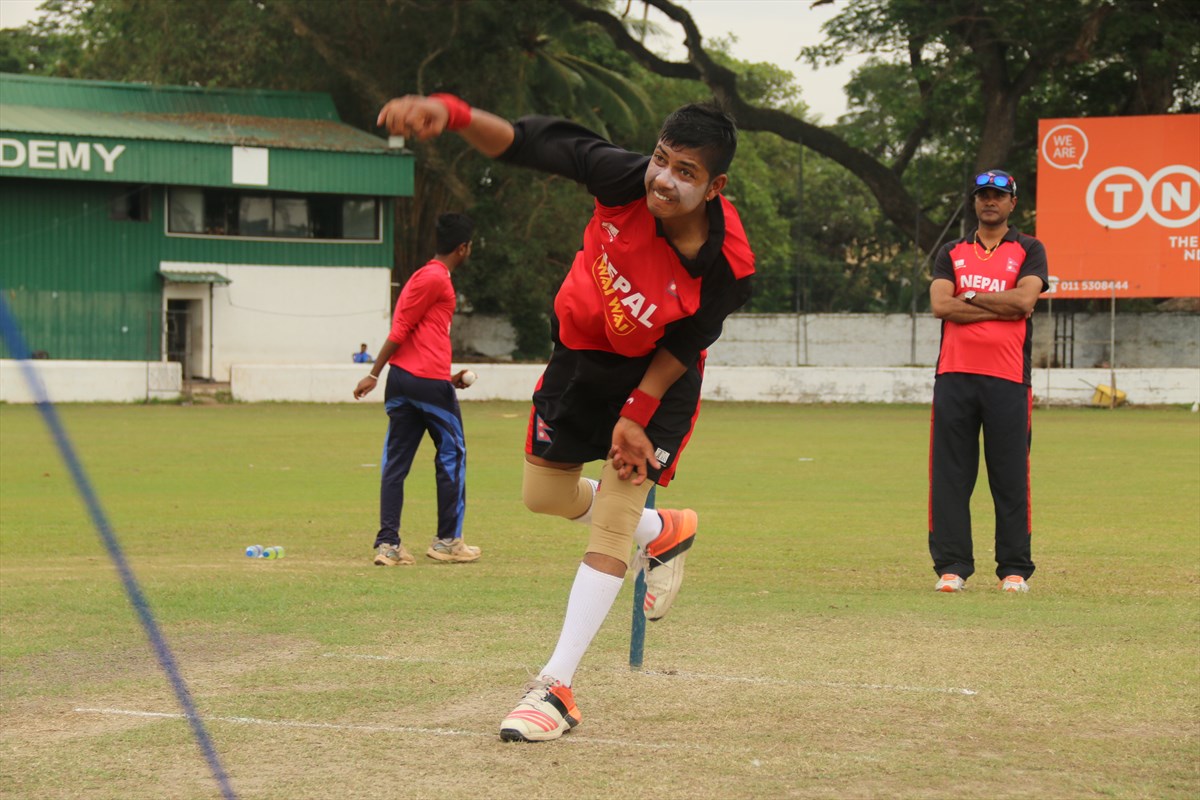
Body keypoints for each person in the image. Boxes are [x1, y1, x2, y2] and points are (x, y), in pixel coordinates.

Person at [376, 93, 754, 742]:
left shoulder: (729, 264)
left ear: (715, 185)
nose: (663, 179)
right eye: (662, 160)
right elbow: (532, 142)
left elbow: (689, 341)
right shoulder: (623, 178)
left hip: (656, 383)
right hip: (580, 364)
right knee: (542, 496)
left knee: (609, 525)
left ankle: (555, 687)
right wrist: (455, 114)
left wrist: (636, 413)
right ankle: (663, 529)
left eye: (685, 172)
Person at [928, 169, 1048, 594]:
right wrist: (1004, 307)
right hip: (954, 376)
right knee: (950, 476)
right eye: (983, 195)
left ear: (1012, 202)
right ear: (975, 202)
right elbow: (942, 305)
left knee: (1010, 476)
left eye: (998, 195)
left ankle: (1014, 569)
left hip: (1008, 378)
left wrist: (972, 297)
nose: (989, 201)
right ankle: (952, 567)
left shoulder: (1029, 249)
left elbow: (1026, 299)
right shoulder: (952, 252)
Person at [353, 213, 482, 567]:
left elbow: (415, 333)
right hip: (422, 381)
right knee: (452, 455)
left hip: (405, 381)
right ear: (463, 247)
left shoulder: (420, 275)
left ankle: (389, 546)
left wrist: (445, 377)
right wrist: (373, 374)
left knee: (396, 462)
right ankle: (446, 542)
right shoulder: (437, 279)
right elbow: (401, 329)